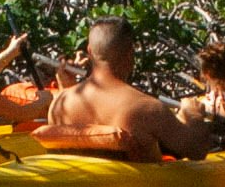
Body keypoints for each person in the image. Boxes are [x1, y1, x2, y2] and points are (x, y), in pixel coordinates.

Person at [49, 18, 214, 159]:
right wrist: (193, 115)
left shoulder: (59, 104)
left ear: (90, 51)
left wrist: (67, 89)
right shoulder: (147, 109)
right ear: (130, 54)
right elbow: (197, 150)